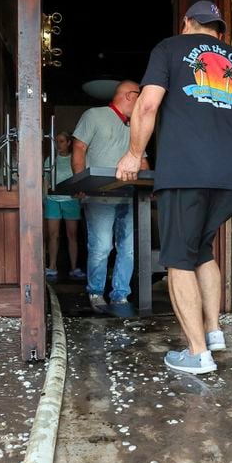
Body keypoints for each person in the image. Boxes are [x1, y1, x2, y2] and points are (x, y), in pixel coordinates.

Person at [116, 1, 232, 374]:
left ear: (187, 23)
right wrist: (226, 151)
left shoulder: (169, 48)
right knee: (202, 250)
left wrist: (134, 154)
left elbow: (148, 105)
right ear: (220, 30)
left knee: (178, 259)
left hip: (185, 175)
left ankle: (197, 354)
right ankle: (213, 331)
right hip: (230, 180)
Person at [72, 81, 149, 313]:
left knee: (128, 249)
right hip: (98, 194)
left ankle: (120, 295)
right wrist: (80, 182)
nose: (144, 101)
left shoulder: (137, 124)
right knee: (102, 246)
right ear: (128, 96)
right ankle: (95, 292)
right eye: (140, 95)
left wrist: (148, 185)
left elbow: (143, 160)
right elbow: (78, 148)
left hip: (129, 194)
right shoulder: (94, 115)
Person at [43, 131, 86, 281]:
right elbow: (45, 181)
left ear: (68, 143)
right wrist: (44, 200)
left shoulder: (75, 159)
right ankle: (52, 267)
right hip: (53, 200)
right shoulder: (51, 159)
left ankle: (74, 268)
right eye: (56, 141)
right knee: (53, 235)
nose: (58, 144)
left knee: (72, 236)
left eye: (61, 141)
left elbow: (80, 179)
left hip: (71, 200)